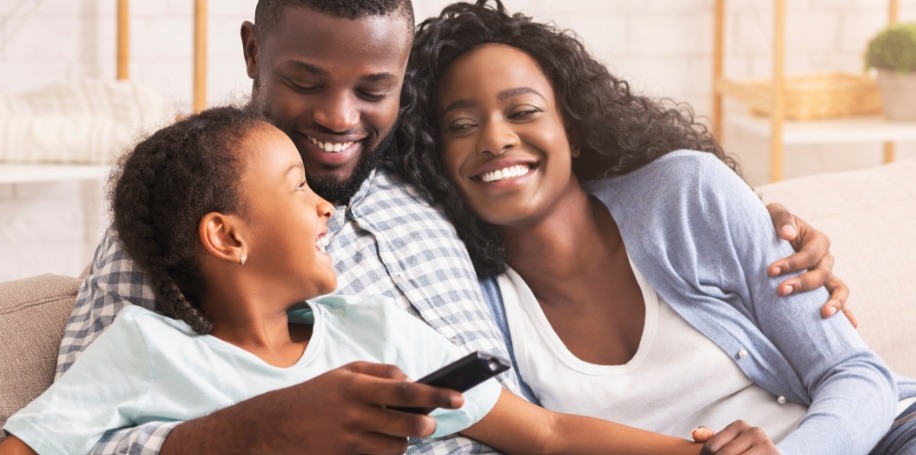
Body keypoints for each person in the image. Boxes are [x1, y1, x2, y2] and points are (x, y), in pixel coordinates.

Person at [56, 1, 848, 454]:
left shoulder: (436, 184)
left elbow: (567, 184)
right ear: (254, 51)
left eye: (374, 88)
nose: (339, 117)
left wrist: (760, 225)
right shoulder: (177, 224)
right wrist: (249, 432)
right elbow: (73, 433)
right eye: (305, 81)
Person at [0, 105, 722, 455]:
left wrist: (702, 452)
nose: (323, 206)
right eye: (295, 186)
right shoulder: (143, 350)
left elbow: (550, 432)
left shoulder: (372, 329)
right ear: (228, 236)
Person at [392, 1, 916, 454]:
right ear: (436, 157)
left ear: (570, 130)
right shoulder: (478, 306)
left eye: (523, 111)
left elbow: (857, 375)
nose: (496, 138)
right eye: (462, 125)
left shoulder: (686, 196)